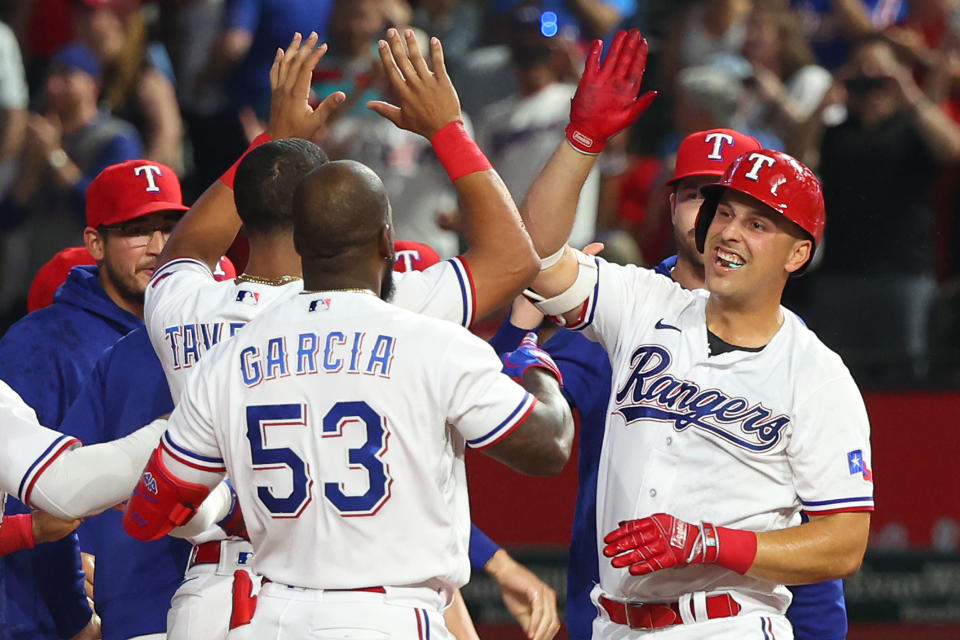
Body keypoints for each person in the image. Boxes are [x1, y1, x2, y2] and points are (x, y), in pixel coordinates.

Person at [121, 154, 574, 639]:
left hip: (268, 613)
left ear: (302, 242)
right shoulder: (430, 337)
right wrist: (532, 361)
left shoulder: (227, 358)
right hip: (389, 615)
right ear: (386, 240)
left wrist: (227, 498)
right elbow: (550, 447)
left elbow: (151, 511)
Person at [520, 30, 873, 637]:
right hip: (614, 622)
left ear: (797, 255)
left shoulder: (816, 371)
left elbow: (843, 543)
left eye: (758, 223)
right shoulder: (642, 303)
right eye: (724, 212)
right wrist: (584, 142)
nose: (730, 232)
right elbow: (539, 254)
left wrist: (708, 542)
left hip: (726, 621)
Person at [0, 157, 187, 640]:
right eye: (136, 230)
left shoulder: (187, 327)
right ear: (95, 243)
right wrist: (69, 608)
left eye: (169, 227)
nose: (157, 247)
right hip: (56, 607)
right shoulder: (43, 340)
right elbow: (20, 483)